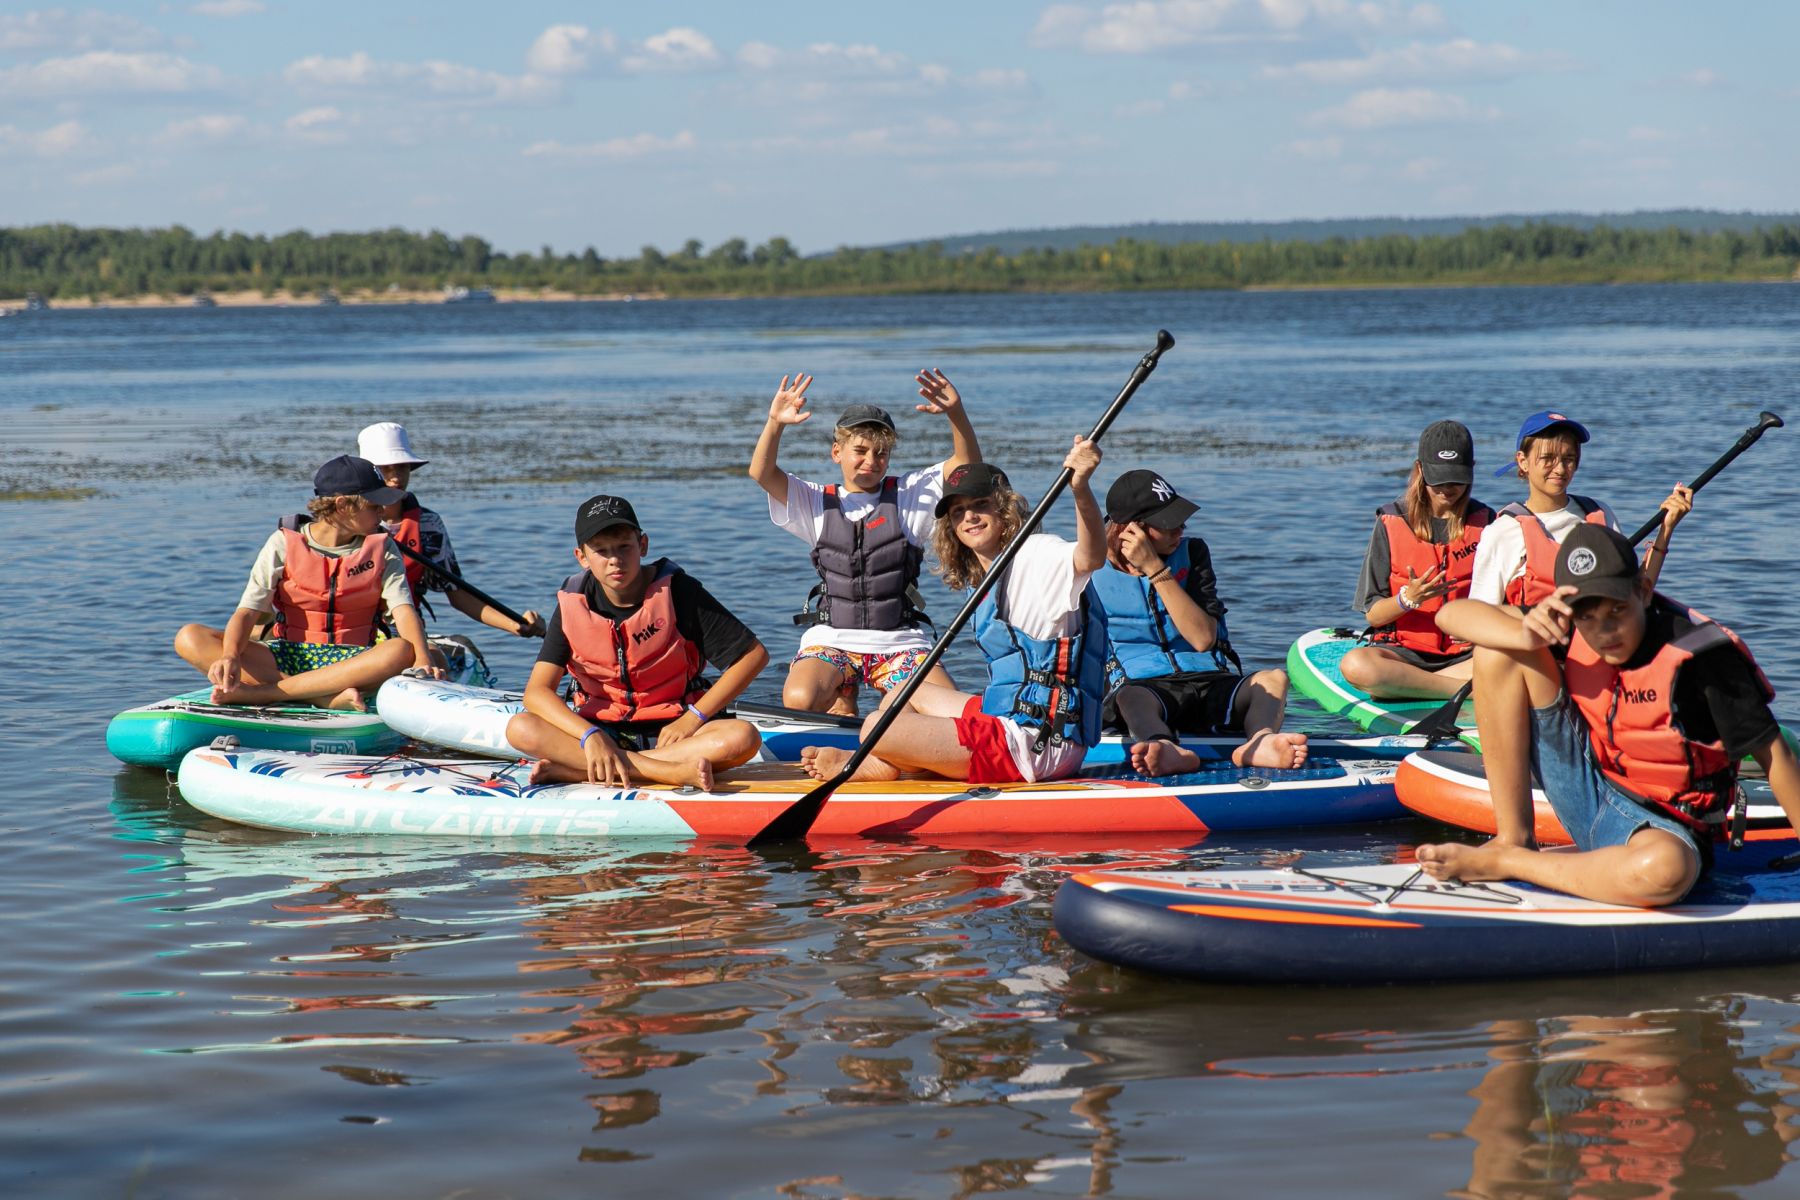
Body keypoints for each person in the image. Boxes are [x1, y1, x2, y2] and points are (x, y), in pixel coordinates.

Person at [1417, 523, 1800, 906]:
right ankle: (1513, 839)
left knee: (1665, 870)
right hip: (1586, 787)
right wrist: (1525, 635)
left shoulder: (1703, 658)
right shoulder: (1569, 624)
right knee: (1496, 649)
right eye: (1588, 617)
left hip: (1670, 828)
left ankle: (1514, 862)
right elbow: (1450, 615)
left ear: (1643, 590)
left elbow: (1774, 755)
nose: (1605, 631)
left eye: (1618, 610)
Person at [799, 441, 1109, 785]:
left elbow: (1090, 557)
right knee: (907, 688)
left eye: (981, 505)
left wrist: (1081, 488)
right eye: (959, 511)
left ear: (1005, 512)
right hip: (1010, 720)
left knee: (876, 726)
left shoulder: (1036, 554)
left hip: (1036, 745)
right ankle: (883, 759)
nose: (969, 517)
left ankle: (873, 760)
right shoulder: (987, 578)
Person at [748, 369, 981, 717]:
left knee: (949, 712)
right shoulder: (815, 501)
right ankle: (843, 696)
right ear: (836, 452)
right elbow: (762, 473)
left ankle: (887, 710)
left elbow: (967, 467)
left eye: (881, 453)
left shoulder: (908, 495)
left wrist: (955, 413)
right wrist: (774, 423)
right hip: (833, 641)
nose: (871, 461)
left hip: (901, 643)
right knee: (799, 700)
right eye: (860, 451)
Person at [504, 495, 768, 791]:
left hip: (675, 732)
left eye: (624, 547)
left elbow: (753, 656)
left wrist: (694, 718)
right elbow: (536, 692)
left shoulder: (679, 592)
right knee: (520, 728)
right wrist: (590, 736)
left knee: (743, 738)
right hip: (602, 731)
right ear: (582, 556)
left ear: (642, 545)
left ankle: (582, 770)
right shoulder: (572, 602)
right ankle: (667, 772)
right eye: (601, 551)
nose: (614, 559)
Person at [173, 455, 442, 710]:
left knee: (401, 649)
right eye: (374, 505)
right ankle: (324, 699)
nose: (383, 513)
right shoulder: (283, 543)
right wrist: (230, 656)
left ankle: (263, 694)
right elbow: (247, 612)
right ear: (343, 506)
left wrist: (422, 660)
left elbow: (403, 610)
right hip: (287, 657)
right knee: (189, 637)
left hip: (354, 663)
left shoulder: (383, 548)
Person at [1091, 469, 1308, 775]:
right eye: (1168, 524)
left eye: (1179, 519)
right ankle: (1162, 747)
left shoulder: (1192, 554)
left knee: (1273, 679)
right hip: (1145, 691)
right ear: (1131, 530)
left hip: (1209, 680)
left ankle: (1260, 741)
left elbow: (1203, 639)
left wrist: (1155, 569)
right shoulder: (1090, 570)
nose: (1181, 528)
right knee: (1131, 697)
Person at [1468, 410, 1691, 610]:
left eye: (1569, 459)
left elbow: (1637, 596)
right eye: (1547, 458)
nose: (1560, 469)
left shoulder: (1599, 513)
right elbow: (1479, 619)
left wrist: (1666, 529)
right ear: (1523, 461)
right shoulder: (1502, 532)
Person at [1341, 420, 1495, 699]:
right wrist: (1407, 599)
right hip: (1403, 655)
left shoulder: (1491, 523)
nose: (1447, 488)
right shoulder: (1391, 522)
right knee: (1356, 665)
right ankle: (1465, 690)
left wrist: (1480, 632)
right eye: (1439, 479)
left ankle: (1416, 686)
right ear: (1420, 470)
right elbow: (1373, 613)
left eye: (1456, 479)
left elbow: (1505, 607)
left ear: (1472, 469)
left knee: (1529, 661)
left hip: (1467, 656)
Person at [356, 421, 543, 640]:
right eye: (385, 468)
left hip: (406, 631)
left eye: (402, 466)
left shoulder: (428, 524)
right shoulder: (347, 522)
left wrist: (515, 626)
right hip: (355, 628)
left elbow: (458, 594)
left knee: (436, 659)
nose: (395, 476)